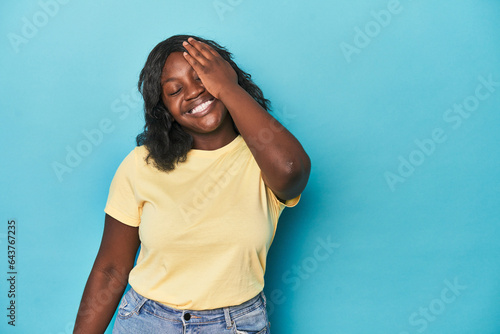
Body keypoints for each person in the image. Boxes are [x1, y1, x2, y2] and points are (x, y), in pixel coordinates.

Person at [74, 34, 311, 334]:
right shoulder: (140, 164)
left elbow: (292, 172)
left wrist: (227, 87)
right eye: (175, 90)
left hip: (235, 325)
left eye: (203, 77)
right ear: (164, 109)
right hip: (147, 321)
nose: (194, 92)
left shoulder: (263, 158)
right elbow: (110, 269)